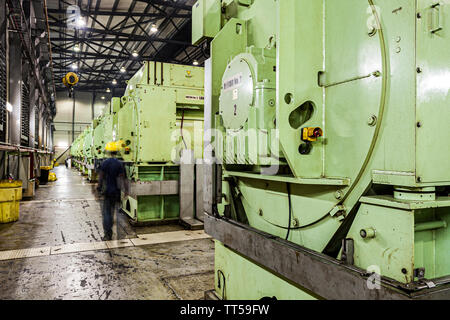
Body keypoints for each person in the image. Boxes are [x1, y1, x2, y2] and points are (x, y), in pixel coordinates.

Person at [97, 141, 128, 241]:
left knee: (107, 213)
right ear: (116, 152)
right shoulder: (119, 164)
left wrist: (99, 188)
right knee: (118, 213)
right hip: (116, 192)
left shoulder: (104, 163)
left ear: (108, 152)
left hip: (107, 192)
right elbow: (122, 178)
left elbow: (101, 177)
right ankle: (120, 235)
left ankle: (108, 234)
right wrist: (125, 190)